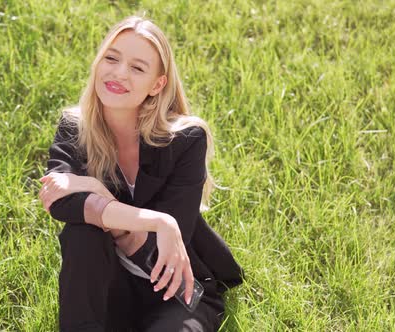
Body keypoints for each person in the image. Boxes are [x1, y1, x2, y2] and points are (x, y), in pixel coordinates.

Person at [38, 16, 243, 332]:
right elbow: (59, 201)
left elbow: (157, 252)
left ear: (157, 84)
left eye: (137, 68)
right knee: (82, 234)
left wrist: (97, 194)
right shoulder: (73, 128)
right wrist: (158, 222)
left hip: (174, 290)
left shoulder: (185, 140)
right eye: (111, 58)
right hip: (107, 291)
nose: (119, 73)